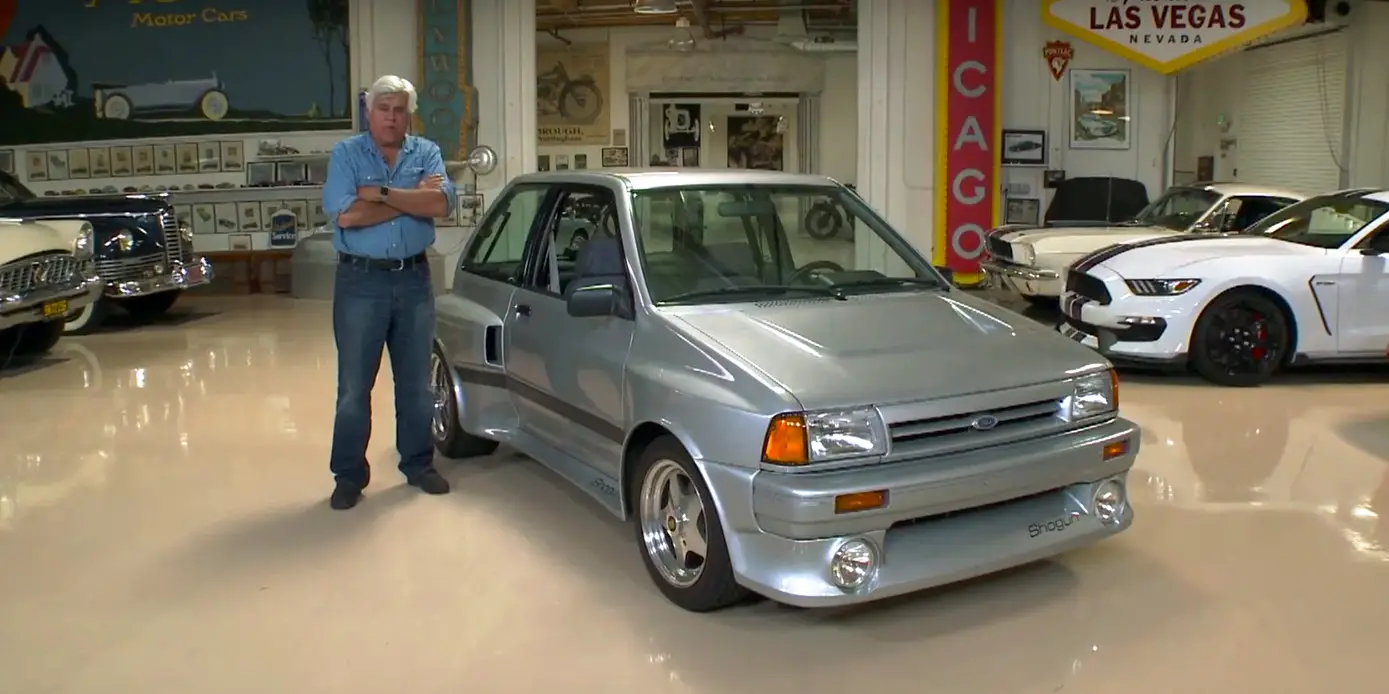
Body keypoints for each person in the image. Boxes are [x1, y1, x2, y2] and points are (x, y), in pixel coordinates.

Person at [320, 75, 456, 510]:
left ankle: (418, 464)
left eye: (399, 110)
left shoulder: (427, 152)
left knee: (416, 384)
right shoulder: (346, 154)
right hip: (362, 282)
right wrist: (409, 197)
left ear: (408, 114)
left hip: (415, 280)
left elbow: (440, 205)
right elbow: (346, 217)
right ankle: (348, 475)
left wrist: (378, 193)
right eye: (384, 109)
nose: (392, 118)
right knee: (354, 386)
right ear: (369, 111)